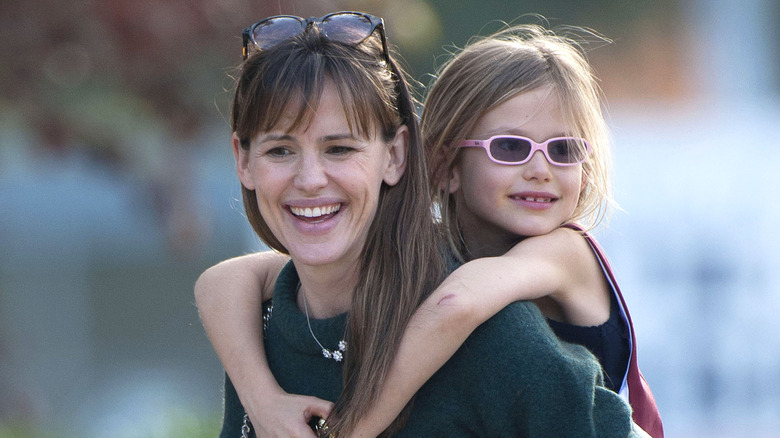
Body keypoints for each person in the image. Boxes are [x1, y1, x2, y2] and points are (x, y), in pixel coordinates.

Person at [203, 11, 641, 437]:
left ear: (396, 156)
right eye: (280, 150)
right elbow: (223, 279)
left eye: (339, 149)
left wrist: (352, 430)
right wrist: (260, 399)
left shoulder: (550, 266)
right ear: (444, 165)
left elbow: (454, 308)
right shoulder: (267, 325)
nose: (540, 169)